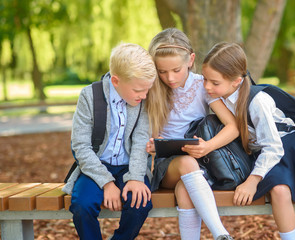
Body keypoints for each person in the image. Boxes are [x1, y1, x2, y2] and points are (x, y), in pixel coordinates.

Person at [201, 42, 295, 240]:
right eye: (205, 79)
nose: (207, 86)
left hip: (293, 146)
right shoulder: (219, 97)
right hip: (264, 154)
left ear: (236, 81)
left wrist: (252, 181)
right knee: (279, 192)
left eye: (214, 82)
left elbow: (273, 146)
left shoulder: (257, 101)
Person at [145, 28, 236, 240]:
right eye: (162, 71)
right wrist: (150, 144)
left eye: (176, 70)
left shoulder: (202, 86)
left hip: (202, 162)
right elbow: (144, 133)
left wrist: (208, 146)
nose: (169, 77)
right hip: (167, 166)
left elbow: (233, 126)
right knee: (187, 166)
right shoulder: (151, 88)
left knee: (185, 188)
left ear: (191, 60)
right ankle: (220, 233)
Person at [62, 43, 157, 240]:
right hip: (95, 166)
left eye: (147, 89)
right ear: (116, 81)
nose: (144, 95)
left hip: (128, 167)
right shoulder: (90, 96)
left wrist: (136, 178)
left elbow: (140, 142)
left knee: (140, 203)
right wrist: (107, 183)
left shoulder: (142, 100)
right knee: (82, 205)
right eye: (139, 90)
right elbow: (80, 147)